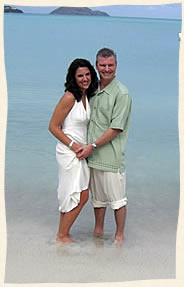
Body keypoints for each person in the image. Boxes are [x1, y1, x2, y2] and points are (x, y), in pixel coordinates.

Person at [77, 48, 132, 244]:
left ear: (116, 65)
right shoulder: (92, 90)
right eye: (102, 65)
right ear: (96, 66)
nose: (106, 69)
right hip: (93, 158)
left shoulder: (122, 93)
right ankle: (98, 236)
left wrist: (92, 145)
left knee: (117, 201)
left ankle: (119, 239)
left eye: (110, 65)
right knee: (98, 201)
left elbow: (116, 128)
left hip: (111, 157)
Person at [49, 58, 98, 243]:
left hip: (80, 152)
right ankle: (62, 235)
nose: (85, 78)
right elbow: (53, 126)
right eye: (80, 76)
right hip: (69, 151)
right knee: (80, 194)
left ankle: (62, 234)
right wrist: (74, 146)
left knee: (73, 193)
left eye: (87, 74)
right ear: (73, 77)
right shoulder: (70, 96)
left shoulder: (86, 95)